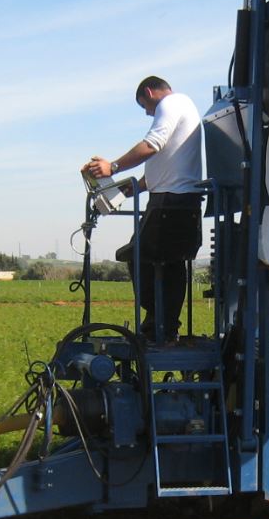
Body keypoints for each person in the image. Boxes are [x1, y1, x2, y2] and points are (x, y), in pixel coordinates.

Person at [82, 76, 203, 341]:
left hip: (172, 201)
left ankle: (159, 326)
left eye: (145, 106)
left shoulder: (170, 104)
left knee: (140, 256)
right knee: (166, 262)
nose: (148, 113)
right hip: (175, 199)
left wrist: (112, 167)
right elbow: (167, 166)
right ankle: (160, 325)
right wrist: (131, 188)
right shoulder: (184, 106)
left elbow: (152, 145)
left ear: (149, 92)